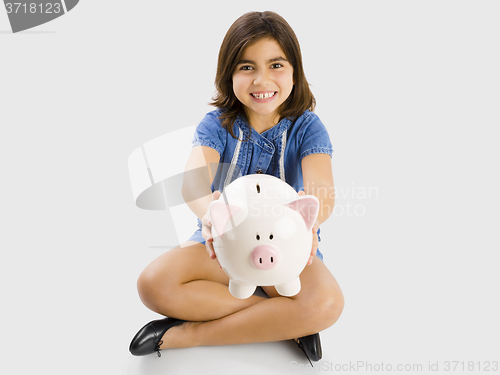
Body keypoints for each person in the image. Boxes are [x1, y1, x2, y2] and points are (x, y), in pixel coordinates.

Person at [129, 11, 344, 362]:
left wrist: (312, 222)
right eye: (247, 67)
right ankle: (284, 319)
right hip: (223, 246)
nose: (262, 80)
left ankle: (186, 336)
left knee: (328, 303)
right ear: (228, 74)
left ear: (295, 71)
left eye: (276, 65)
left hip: (286, 251)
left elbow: (322, 190)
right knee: (152, 284)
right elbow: (194, 183)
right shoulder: (216, 124)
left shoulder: (308, 127)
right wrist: (210, 217)